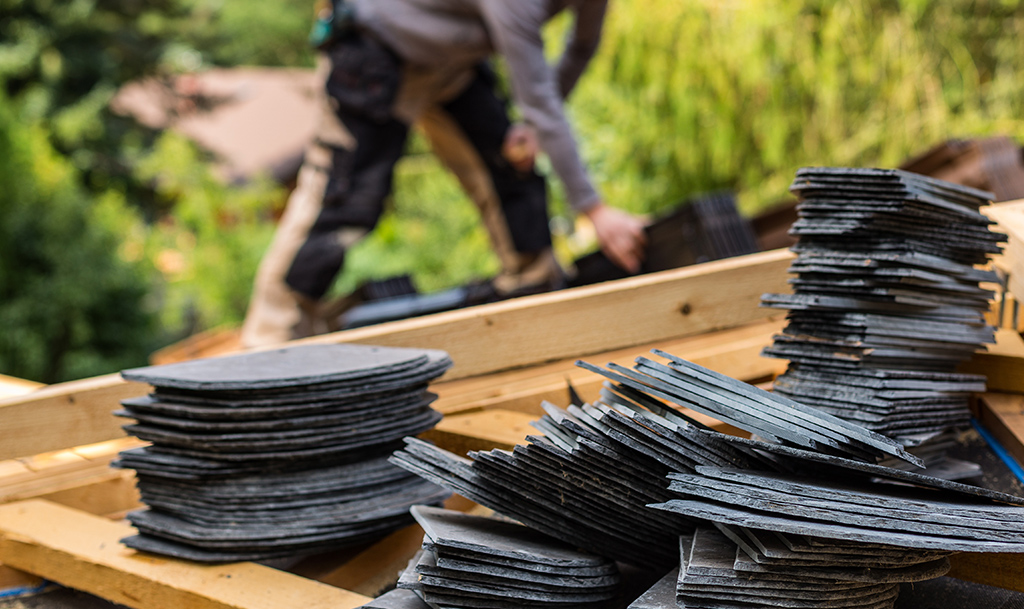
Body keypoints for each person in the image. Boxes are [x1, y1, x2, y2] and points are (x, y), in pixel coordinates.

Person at [240, 0, 647, 348]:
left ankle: (533, 286)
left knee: (508, 164)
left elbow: (581, 47)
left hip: (451, 63)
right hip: (375, 46)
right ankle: (272, 333)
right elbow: (538, 99)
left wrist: (532, 128)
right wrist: (593, 210)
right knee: (345, 199)